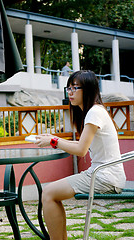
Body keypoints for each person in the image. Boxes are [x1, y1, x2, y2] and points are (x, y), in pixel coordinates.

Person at [35, 70, 126, 240]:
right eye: (68, 88)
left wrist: (54, 142)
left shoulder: (94, 112)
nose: (70, 92)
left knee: (48, 193)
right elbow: (81, 144)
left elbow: (81, 151)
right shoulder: (94, 111)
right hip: (104, 173)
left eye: (74, 88)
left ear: (88, 89)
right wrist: (54, 139)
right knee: (51, 194)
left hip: (103, 175)